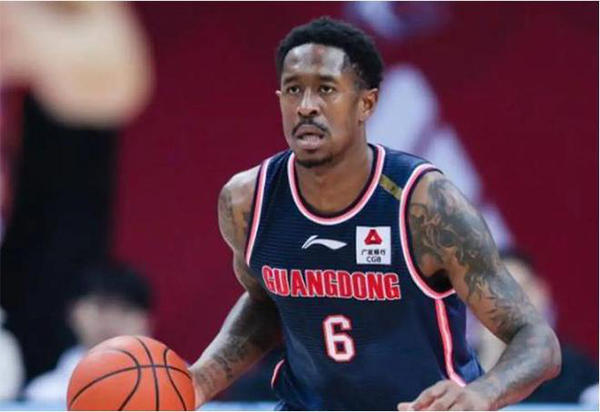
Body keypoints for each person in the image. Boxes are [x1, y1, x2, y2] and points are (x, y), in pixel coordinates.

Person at [189, 17, 561, 411]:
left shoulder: (425, 204)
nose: (306, 106)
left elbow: (537, 340)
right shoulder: (248, 201)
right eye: (294, 89)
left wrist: (480, 394)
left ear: (366, 103)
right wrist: (201, 381)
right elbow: (264, 304)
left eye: (326, 89)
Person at [474, 249, 598, 405]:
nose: (511, 304)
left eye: (521, 290)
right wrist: (490, 357)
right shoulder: (461, 365)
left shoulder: (577, 370)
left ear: (541, 291)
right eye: (498, 293)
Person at [23, 262, 153, 403]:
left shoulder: (168, 385)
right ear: (73, 312)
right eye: (101, 306)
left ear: (147, 321)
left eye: (126, 309)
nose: (112, 320)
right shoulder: (43, 394)